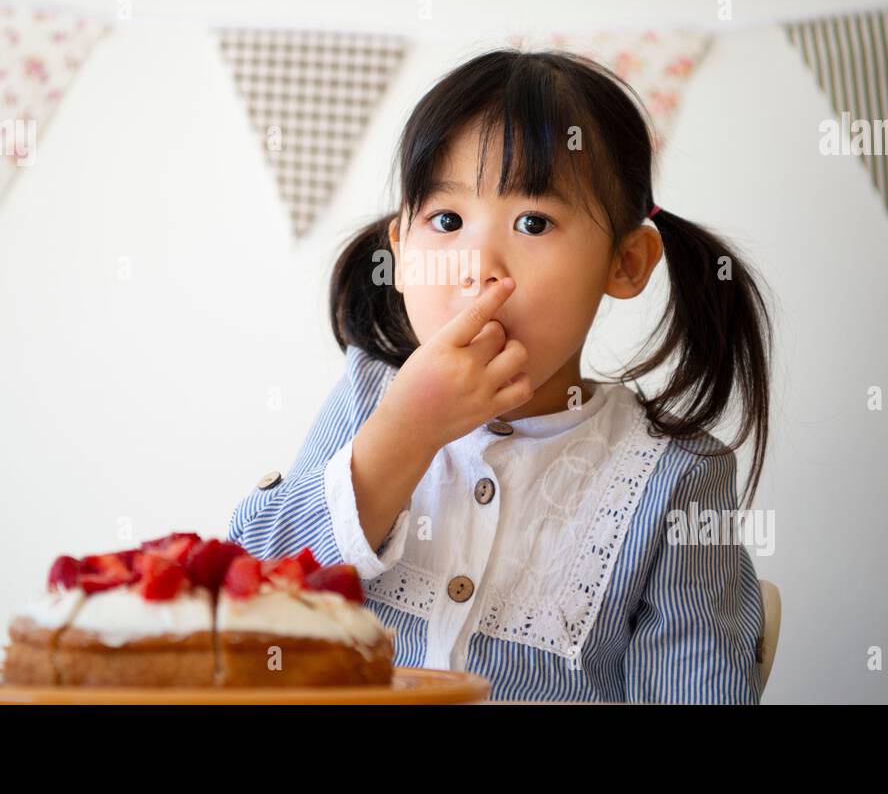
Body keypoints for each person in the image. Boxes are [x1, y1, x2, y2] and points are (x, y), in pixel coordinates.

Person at [228, 48, 776, 703]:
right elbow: (245, 595)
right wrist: (403, 434)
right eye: (448, 220)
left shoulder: (675, 476)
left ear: (626, 263)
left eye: (533, 222)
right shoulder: (369, 400)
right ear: (401, 255)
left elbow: (694, 687)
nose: (478, 265)